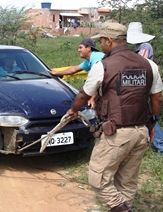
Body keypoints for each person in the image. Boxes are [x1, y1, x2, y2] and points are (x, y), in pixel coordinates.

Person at [66, 22, 163, 212]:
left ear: (109, 41)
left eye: (101, 41)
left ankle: (122, 209)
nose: (100, 46)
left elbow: (84, 95)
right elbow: (157, 98)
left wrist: (74, 110)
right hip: (141, 132)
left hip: (116, 134)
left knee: (97, 178)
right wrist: (152, 123)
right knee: (127, 180)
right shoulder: (149, 65)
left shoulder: (103, 66)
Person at [127, 22, 163, 154]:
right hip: (143, 82)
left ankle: (160, 144)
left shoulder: (145, 46)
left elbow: (139, 64)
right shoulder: (139, 46)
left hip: (146, 83)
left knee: (149, 113)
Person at [50, 38, 104, 108]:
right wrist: (57, 73)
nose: (78, 50)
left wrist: (92, 98)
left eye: (80, 47)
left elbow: (100, 80)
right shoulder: (89, 60)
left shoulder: (96, 58)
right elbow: (74, 69)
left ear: (88, 48)